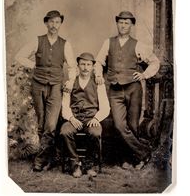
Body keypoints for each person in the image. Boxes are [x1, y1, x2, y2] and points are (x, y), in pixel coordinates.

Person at [95, 11, 160, 169]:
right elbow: (98, 62)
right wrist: (98, 74)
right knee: (119, 125)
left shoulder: (138, 45)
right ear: (117, 24)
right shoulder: (108, 42)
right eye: (121, 22)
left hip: (133, 89)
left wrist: (144, 75)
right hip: (115, 90)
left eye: (126, 23)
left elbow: (154, 62)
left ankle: (130, 159)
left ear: (131, 25)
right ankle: (144, 153)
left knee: (132, 125)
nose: (123, 25)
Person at [15, 10, 76, 171]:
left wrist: (69, 82)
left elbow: (72, 67)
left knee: (50, 125)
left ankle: (39, 159)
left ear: (60, 24)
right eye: (51, 21)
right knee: (42, 124)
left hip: (56, 86)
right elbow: (19, 56)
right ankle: (50, 157)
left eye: (57, 22)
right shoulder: (37, 41)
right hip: (38, 85)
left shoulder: (65, 44)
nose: (53, 25)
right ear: (46, 23)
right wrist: (33, 65)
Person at [60, 52, 110, 178]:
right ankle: (75, 164)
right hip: (74, 117)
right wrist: (71, 118)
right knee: (65, 132)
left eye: (88, 64)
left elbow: (105, 106)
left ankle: (89, 164)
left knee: (95, 133)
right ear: (78, 66)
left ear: (93, 67)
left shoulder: (98, 83)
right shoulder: (70, 83)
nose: (85, 67)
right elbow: (65, 105)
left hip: (91, 118)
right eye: (82, 64)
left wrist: (96, 118)